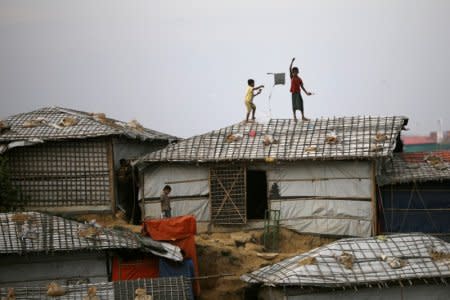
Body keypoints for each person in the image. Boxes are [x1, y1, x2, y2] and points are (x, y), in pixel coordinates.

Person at [289, 57, 313, 121]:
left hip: (298, 93)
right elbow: (289, 68)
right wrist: (292, 62)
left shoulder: (299, 79)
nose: (294, 73)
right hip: (294, 93)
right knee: (294, 104)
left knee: (301, 103)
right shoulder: (292, 77)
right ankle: (295, 117)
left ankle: (303, 116)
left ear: (297, 72)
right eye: (293, 72)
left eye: (295, 72)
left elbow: (302, 87)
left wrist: (307, 93)